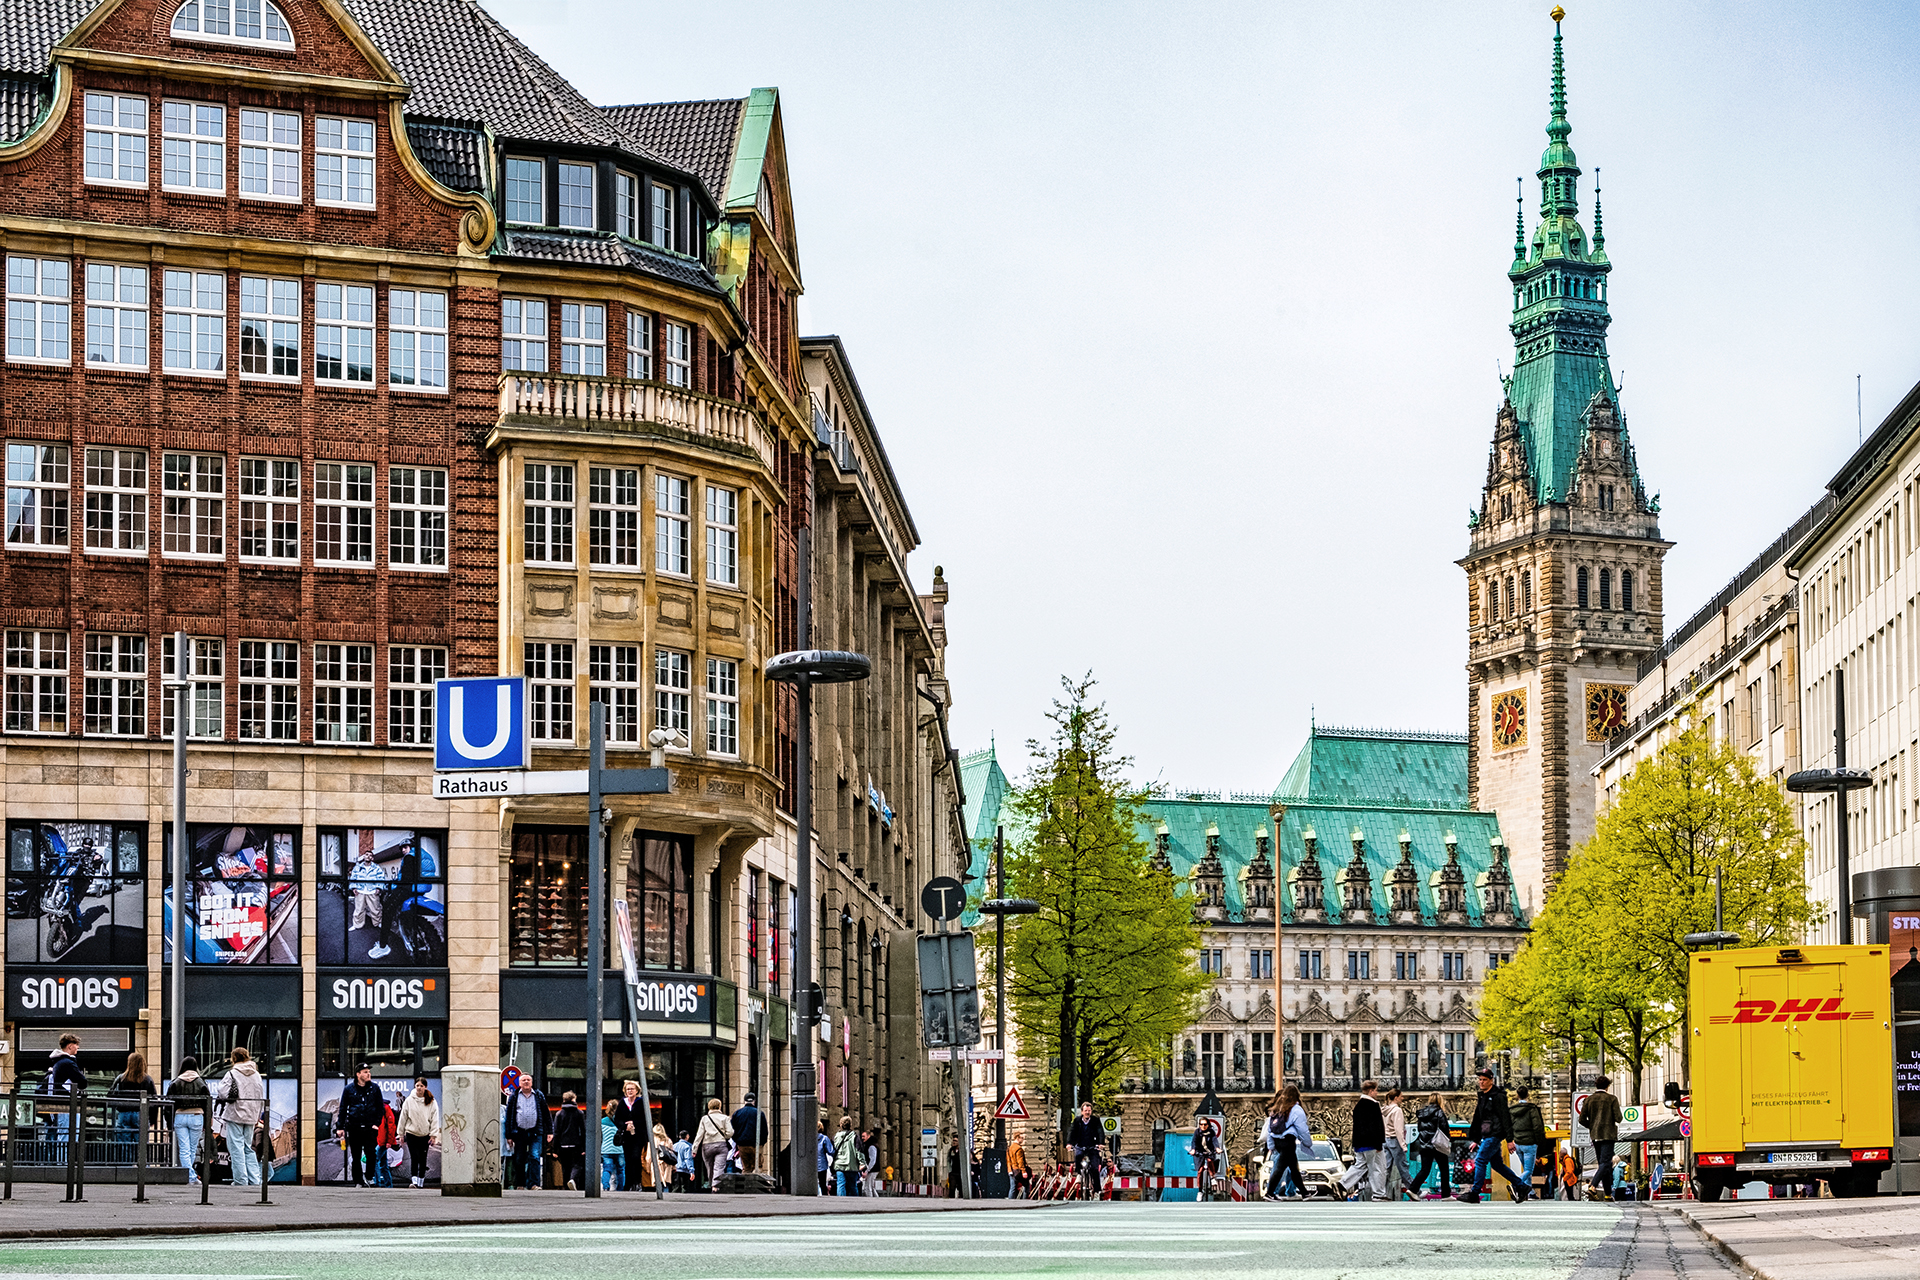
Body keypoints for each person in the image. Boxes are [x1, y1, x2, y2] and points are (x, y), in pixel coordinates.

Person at [1456, 1067, 1528, 1203]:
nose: (1481, 1082)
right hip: (1488, 1134)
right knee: (1497, 1165)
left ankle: (1475, 1193)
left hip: (1494, 1134)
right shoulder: (1482, 1096)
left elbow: (1505, 1117)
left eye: (1484, 1080)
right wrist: (1476, 1139)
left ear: (1491, 1081)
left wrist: (1509, 1139)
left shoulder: (1498, 1097)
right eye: (1480, 1080)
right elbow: (1478, 1118)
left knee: (1480, 1160)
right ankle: (1521, 1186)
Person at [220, 1046, 267, 1187]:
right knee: (248, 1147)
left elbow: (222, 1092)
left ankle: (241, 1180)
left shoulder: (232, 1073)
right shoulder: (256, 1074)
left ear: (233, 1058)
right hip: (251, 1115)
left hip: (235, 1113)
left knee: (236, 1148)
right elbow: (260, 1095)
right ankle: (255, 1180)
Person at [1339, 1079, 1389, 1201]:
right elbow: (1377, 1126)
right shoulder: (1373, 1105)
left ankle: (1343, 1183)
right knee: (1378, 1168)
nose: (1377, 1093)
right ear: (1371, 1091)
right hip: (1372, 1143)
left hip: (1359, 1143)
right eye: (1376, 1090)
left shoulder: (1358, 1106)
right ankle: (1379, 1193)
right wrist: (1379, 1143)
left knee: (1360, 1165)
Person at [338, 1063, 385, 1187]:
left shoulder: (375, 1088)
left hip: (370, 1127)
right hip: (354, 1127)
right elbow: (343, 1109)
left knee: (371, 1154)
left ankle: (369, 1177)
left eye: (369, 1071)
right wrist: (340, 1127)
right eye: (365, 1072)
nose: (368, 1074)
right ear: (358, 1074)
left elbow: (380, 1108)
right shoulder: (349, 1089)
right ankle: (358, 1181)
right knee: (356, 1156)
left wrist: (376, 1124)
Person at [166, 1056, 211, 1183]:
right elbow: (207, 1103)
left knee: (184, 1149)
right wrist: (208, 1121)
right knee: (192, 1148)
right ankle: (191, 1176)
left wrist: (169, 1123)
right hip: (197, 1116)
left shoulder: (175, 1082)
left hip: (179, 1116)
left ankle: (190, 1175)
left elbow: (168, 1104)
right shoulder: (201, 1082)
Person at [43, 1033, 86, 1163]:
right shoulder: (67, 1063)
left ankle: (62, 1165)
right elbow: (83, 1083)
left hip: (62, 1104)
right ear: (70, 1046)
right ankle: (64, 1166)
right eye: (76, 1046)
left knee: (64, 1135)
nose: (78, 1048)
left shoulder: (58, 1063)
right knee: (69, 1136)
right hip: (68, 1105)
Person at [1578, 1076, 1622, 1201]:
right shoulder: (1612, 1099)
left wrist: (1592, 1126)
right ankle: (1593, 1186)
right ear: (1607, 1086)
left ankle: (1608, 1194)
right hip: (1608, 1135)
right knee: (1606, 1163)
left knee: (1604, 1164)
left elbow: (1581, 1119)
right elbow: (1618, 1118)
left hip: (1595, 1135)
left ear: (1595, 1086)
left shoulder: (1589, 1100)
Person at [109, 1052, 157, 1160]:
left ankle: (126, 1169)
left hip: (124, 1113)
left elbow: (110, 1095)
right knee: (141, 1144)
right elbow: (154, 1100)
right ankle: (142, 1168)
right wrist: (153, 1119)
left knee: (124, 1144)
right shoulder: (147, 1079)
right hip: (141, 1113)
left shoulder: (121, 1078)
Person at [504, 1073, 547, 1190]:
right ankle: (520, 1184)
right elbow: (509, 1117)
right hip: (519, 1133)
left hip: (535, 1132)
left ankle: (534, 1184)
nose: (526, 1082)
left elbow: (546, 1114)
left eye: (528, 1080)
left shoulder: (538, 1096)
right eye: (524, 1080)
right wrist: (509, 1135)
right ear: (519, 1083)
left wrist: (549, 1132)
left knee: (535, 1157)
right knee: (519, 1159)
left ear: (532, 1082)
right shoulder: (514, 1097)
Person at [1407, 1093, 1453, 1199]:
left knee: (1425, 1169)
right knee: (1444, 1170)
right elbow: (1444, 1128)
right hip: (1437, 1145)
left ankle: (1413, 1189)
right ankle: (1446, 1195)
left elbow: (1420, 1129)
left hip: (1424, 1145)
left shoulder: (1422, 1114)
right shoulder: (1439, 1112)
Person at [398, 1077, 439, 1188]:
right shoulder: (409, 1100)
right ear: (415, 1087)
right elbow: (403, 1117)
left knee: (423, 1158)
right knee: (414, 1157)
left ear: (425, 1087)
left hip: (424, 1134)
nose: (419, 1088)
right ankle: (414, 1181)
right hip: (411, 1133)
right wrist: (400, 1134)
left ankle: (421, 1181)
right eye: (417, 1086)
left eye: (421, 1086)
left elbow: (434, 1119)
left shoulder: (431, 1101)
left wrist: (433, 1135)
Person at [1509, 1085, 1547, 1201]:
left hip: (1518, 1143)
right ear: (1528, 1095)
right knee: (1528, 1170)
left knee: (1525, 1169)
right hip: (1530, 1143)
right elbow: (1537, 1126)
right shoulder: (1532, 1109)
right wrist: (1539, 1140)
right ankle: (1515, 1184)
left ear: (1517, 1095)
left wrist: (1510, 1140)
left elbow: (1509, 1126)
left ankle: (1530, 1192)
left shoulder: (1512, 1110)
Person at [611, 1081, 649, 1190]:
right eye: (628, 1089)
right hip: (626, 1136)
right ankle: (628, 1184)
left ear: (637, 1090)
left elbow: (646, 1118)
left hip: (638, 1136)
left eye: (632, 1089)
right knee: (628, 1159)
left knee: (636, 1157)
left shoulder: (641, 1102)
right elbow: (617, 1119)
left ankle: (637, 1182)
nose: (630, 1091)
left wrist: (634, 1123)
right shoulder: (622, 1103)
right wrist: (624, 1126)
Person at [1067, 1101, 1106, 1198]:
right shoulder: (1077, 1121)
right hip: (1080, 1145)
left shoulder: (1095, 1121)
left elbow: (1100, 1131)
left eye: (1089, 1111)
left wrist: (1101, 1143)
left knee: (1095, 1168)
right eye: (1085, 1111)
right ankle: (1079, 1174)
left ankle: (1097, 1190)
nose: (1087, 1112)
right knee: (1078, 1157)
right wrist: (1069, 1143)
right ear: (1082, 1112)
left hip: (1092, 1147)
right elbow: (1071, 1132)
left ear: (1091, 1111)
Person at [693, 1097, 734, 1188]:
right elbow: (730, 1133)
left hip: (707, 1145)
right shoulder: (725, 1118)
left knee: (709, 1167)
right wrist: (725, 1136)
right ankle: (716, 1186)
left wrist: (694, 1149)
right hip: (721, 1145)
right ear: (719, 1106)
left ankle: (712, 1184)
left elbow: (699, 1134)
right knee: (719, 1167)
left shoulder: (704, 1119)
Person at [550, 1090, 586, 1191]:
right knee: (577, 1165)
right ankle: (573, 1179)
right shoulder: (579, 1113)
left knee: (565, 1167)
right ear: (574, 1099)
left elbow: (556, 1132)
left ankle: (567, 1187)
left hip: (563, 1144)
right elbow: (583, 1131)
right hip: (576, 1144)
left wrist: (555, 1149)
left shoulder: (559, 1114)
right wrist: (584, 1147)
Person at [1381, 1086, 1409, 1201]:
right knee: (1403, 1166)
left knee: (1386, 1168)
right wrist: (1403, 1144)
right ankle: (1414, 1189)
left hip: (1386, 1140)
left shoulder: (1385, 1111)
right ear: (1396, 1098)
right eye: (1401, 1096)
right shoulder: (1397, 1110)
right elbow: (1398, 1129)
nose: (1402, 1098)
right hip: (1395, 1140)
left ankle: (1381, 1191)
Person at [729, 1092, 768, 1174]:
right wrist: (762, 1143)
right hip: (756, 1145)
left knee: (746, 1168)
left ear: (744, 1101)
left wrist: (737, 1141)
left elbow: (732, 1129)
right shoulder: (759, 1113)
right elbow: (764, 1130)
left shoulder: (737, 1113)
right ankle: (755, 1185)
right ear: (754, 1101)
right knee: (758, 1167)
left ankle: (746, 1186)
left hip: (742, 1145)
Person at [830, 1115, 864, 1195]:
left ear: (841, 1124)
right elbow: (859, 1151)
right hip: (851, 1165)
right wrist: (862, 1163)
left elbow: (832, 1151)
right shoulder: (855, 1136)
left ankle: (841, 1202)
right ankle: (854, 1204)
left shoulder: (835, 1137)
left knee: (840, 1184)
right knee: (853, 1185)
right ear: (850, 1125)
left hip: (839, 1165)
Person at [600, 1103, 624, 1191]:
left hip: (606, 1149)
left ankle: (606, 1187)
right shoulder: (622, 1121)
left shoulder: (602, 1121)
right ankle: (620, 1188)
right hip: (619, 1149)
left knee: (607, 1169)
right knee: (620, 1170)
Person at [1007, 1132, 1029, 1199]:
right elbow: (1020, 1161)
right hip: (1018, 1170)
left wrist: (1009, 1170)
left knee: (1012, 1187)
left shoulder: (1010, 1148)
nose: (1023, 1140)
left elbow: (1008, 1160)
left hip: (1012, 1170)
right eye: (1022, 1138)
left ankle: (1010, 1202)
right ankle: (1024, 1201)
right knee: (1026, 1186)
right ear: (1017, 1138)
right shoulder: (1019, 1149)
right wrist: (1024, 1171)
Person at [814, 1120, 834, 1195]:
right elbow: (830, 1151)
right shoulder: (824, 1138)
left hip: (811, 1165)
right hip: (822, 1165)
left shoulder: (809, 1138)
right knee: (823, 1184)